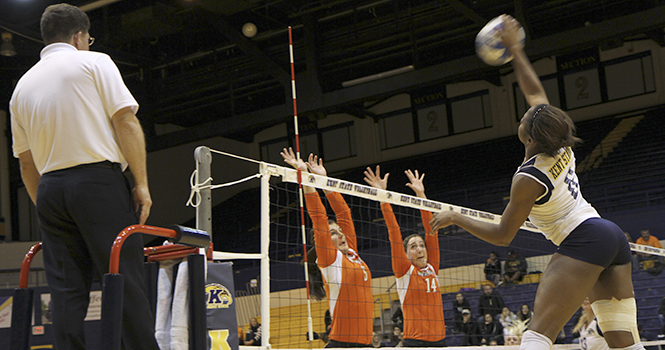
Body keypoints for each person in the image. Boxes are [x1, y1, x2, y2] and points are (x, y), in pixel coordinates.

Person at [430, 14, 645, 350]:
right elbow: (534, 93)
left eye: (524, 118)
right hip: (609, 235)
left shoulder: (528, 177)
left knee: (535, 335)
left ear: (528, 136)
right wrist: (516, 51)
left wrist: (456, 216)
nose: (526, 113)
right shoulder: (558, 142)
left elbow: (503, 235)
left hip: (583, 240)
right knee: (624, 342)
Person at [9, 4, 158, 350]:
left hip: (49, 190)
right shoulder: (94, 62)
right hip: (96, 183)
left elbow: (26, 164)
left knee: (65, 292)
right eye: (88, 38)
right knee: (123, 277)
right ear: (79, 36)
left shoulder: (21, 86)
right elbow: (126, 122)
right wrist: (142, 184)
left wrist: (49, 205)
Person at [281, 149, 373, 347]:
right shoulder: (330, 260)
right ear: (322, 242)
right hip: (344, 343)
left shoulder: (352, 252)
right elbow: (319, 218)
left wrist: (324, 181)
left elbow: (344, 213)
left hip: (364, 344)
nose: (340, 234)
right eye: (333, 233)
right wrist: (306, 177)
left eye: (340, 231)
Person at [364, 167, 447, 347]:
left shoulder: (432, 266)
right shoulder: (404, 271)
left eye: (421, 245)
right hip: (415, 342)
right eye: (413, 247)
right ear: (406, 254)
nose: (419, 249)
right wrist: (383, 196)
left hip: (440, 341)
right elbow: (394, 233)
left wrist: (421, 194)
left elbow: (431, 231)